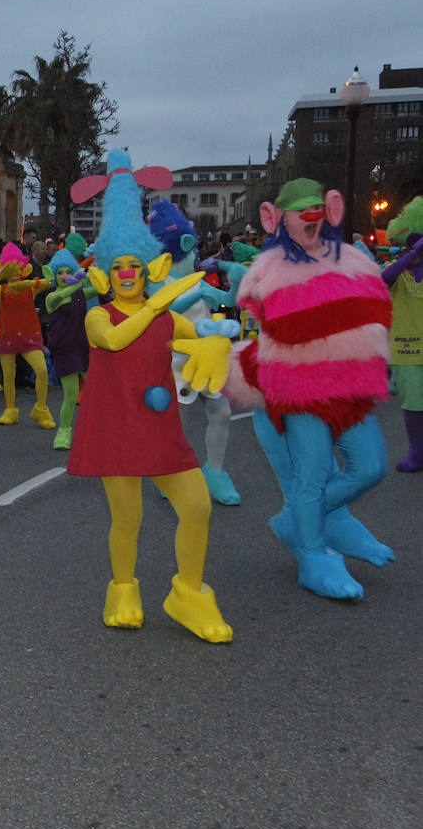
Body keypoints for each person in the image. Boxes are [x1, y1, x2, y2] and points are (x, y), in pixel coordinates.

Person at [67, 150, 233, 643]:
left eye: (133, 265)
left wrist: (217, 340)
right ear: (103, 275)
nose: (125, 273)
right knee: (127, 517)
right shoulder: (100, 316)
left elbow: (196, 334)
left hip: (161, 431)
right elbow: (114, 341)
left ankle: (188, 593)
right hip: (115, 426)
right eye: (116, 266)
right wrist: (158, 302)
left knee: (198, 507)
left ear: (150, 266)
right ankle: (123, 590)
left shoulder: (166, 317)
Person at [223, 178, 394, 600]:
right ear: (277, 218)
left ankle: (297, 523)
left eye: (317, 206)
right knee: (312, 475)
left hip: (349, 387)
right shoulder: (269, 267)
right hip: (297, 389)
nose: (311, 215)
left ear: (331, 209)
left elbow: (377, 309)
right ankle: (314, 556)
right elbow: (284, 323)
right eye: (301, 209)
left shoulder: (354, 259)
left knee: (370, 466)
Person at [147, 200, 241, 504]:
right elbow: (163, 310)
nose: (191, 252)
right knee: (178, 423)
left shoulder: (198, 277)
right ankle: (170, 472)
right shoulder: (156, 278)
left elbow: (225, 301)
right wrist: (197, 291)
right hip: (173, 360)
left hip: (205, 359)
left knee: (222, 413)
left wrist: (237, 283)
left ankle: (215, 471)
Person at [0, 241, 55, 431]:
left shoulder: (30, 288)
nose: (14, 272)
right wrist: (0, 278)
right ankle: (10, 409)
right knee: (9, 374)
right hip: (7, 335)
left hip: (29, 336)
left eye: (17, 267)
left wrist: (28, 282)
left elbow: (50, 282)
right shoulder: (2, 290)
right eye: (10, 268)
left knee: (42, 370)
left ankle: (41, 408)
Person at [381, 196, 423, 471]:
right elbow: (383, 280)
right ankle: (416, 450)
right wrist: (409, 256)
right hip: (406, 350)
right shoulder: (395, 273)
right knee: (414, 404)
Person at [42, 246, 94, 450]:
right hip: (63, 348)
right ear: (54, 276)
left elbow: (101, 288)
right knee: (71, 394)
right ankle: (64, 432)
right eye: (60, 273)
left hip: (82, 346)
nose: (64, 276)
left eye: (68, 271)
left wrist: (99, 273)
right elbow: (62, 297)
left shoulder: (81, 292)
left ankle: (97, 429)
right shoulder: (51, 297)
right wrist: (79, 282)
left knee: (95, 390)